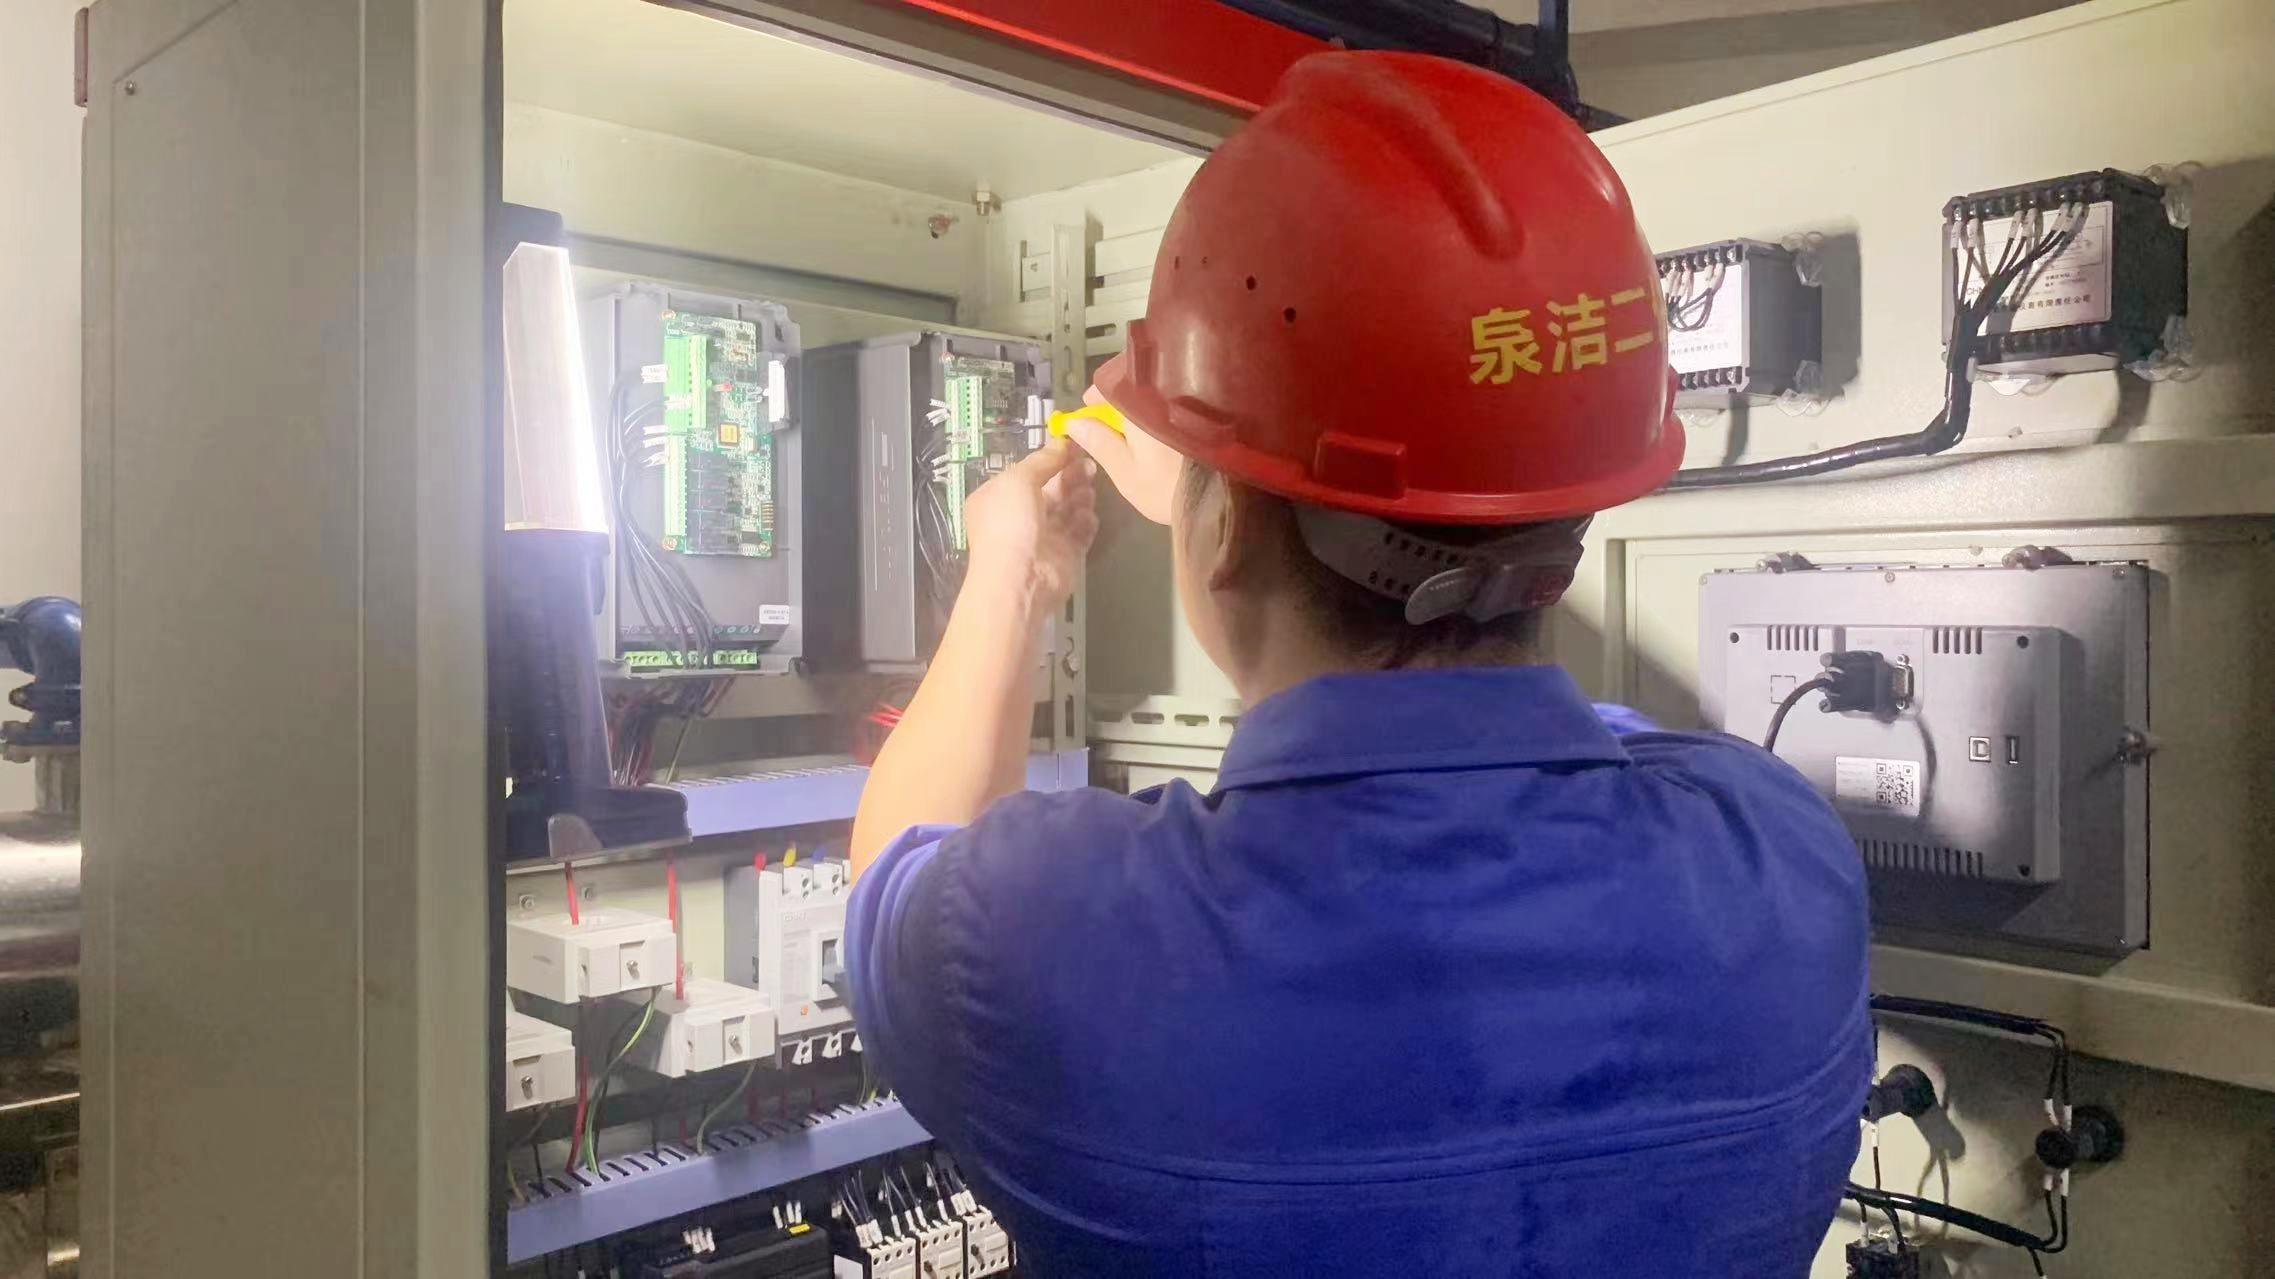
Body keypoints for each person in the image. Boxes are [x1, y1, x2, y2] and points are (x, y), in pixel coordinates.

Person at [845, 50, 1869, 1277]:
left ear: (1223, 533)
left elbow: (888, 881)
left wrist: (1012, 570)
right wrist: (1236, 495)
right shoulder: (1781, 855)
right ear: (1575, 512)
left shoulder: (1046, 940)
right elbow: (1567, 739)